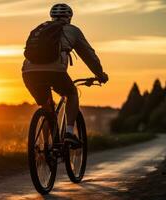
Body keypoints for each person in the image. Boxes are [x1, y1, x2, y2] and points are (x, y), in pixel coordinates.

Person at [22, 3, 108, 147]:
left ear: (52, 16)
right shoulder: (72, 30)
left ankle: (46, 146)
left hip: (29, 72)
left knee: (46, 107)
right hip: (55, 71)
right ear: (69, 17)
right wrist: (100, 74)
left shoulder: (39, 29)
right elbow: (88, 55)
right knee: (72, 93)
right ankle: (69, 133)